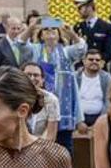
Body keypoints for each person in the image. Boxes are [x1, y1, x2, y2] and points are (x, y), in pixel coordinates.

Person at [29, 18, 87, 154]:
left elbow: (81, 49)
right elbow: (20, 45)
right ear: (41, 35)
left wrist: (71, 33)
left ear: (59, 34)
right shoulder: (36, 50)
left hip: (63, 110)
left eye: (53, 29)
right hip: (41, 106)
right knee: (41, 148)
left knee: (64, 150)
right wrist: (31, 27)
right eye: (46, 29)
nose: (50, 31)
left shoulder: (66, 52)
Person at [74, 0, 111, 69]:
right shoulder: (78, 27)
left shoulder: (107, 27)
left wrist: (95, 62)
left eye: (80, 8)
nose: (79, 11)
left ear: (89, 7)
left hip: (98, 68)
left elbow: (109, 52)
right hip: (81, 68)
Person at [22, 62, 60, 141]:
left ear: (42, 80)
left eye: (36, 75)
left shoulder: (51, 100)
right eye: (28, 75)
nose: (32, 78)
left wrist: (36, 149)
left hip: (42, 147)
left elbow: (51, 136)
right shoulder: (12, 98)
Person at [75, 48, 111, 128]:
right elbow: (70, 101)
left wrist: (100, 122)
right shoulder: (75, 77)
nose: (94, 62)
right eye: (91, 59)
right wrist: (78, 121)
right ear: (84, 61)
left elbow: (109, 101)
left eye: (97, 60)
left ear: (102, 63)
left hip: (100, 117)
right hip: (78, 119)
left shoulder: (107, 78)